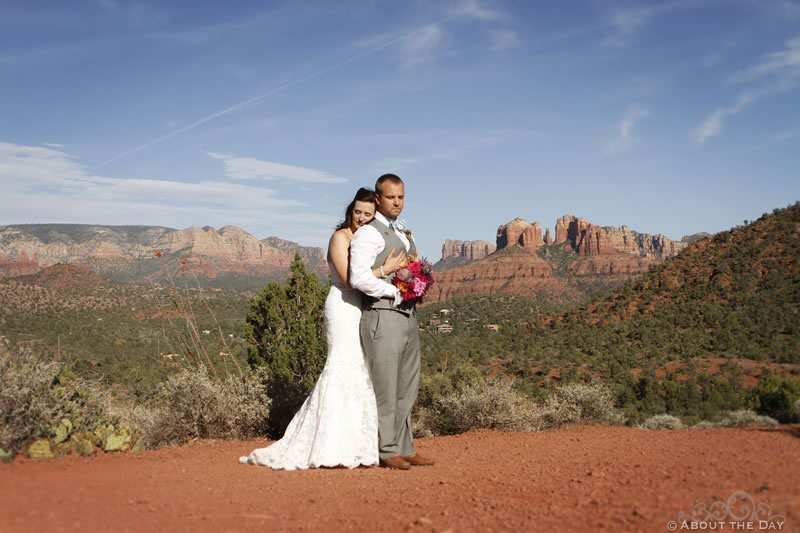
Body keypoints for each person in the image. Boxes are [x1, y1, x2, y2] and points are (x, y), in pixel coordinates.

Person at [239, 187, 407, 470]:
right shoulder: (340, 238)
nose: (362, 218)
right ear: (349, 212)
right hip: (342, 308)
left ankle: (358, 445)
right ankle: (328, 444)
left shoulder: (366, 239)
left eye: (368, 213)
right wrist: (385, 269)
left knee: (361, 371)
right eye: (357, 212)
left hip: (362, 309)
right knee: (342, 366)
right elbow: (349, 279)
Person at [349, 174, 434, 470]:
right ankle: (386, 451)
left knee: (407, 386)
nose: (397, 202)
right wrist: (393, 291)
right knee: (386, 387)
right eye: (390, 197)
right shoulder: (368, 234)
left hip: (408, 316)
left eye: (401, 197)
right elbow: (357, 276)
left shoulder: (404, 232)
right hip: (383, 316)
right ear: (378, 199)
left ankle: (405, 447)